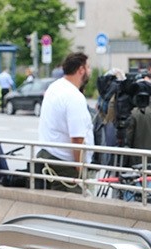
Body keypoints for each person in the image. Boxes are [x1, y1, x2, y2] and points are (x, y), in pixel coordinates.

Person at [36, 52, 93, 193]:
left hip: (48, 156)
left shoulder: (54, 87)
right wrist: (80, 171)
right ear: (81, 70)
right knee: (79, 208)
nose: (90, 71)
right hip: (64, 164)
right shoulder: (74, 96)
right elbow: (77, 138)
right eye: (89, 67)